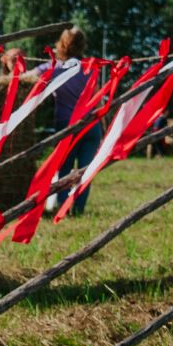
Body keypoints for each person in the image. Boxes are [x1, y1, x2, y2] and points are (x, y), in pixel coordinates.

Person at [46, 28, 102, 217]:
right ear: (82, 45)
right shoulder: (91, 67)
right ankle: (78, 210)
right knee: (85, 171)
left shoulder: (52, 68)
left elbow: (24, 78)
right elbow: (98, 98)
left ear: (61, 44)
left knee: (64, 169)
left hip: (66, 127)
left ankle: (63, 207)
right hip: (90, 125)